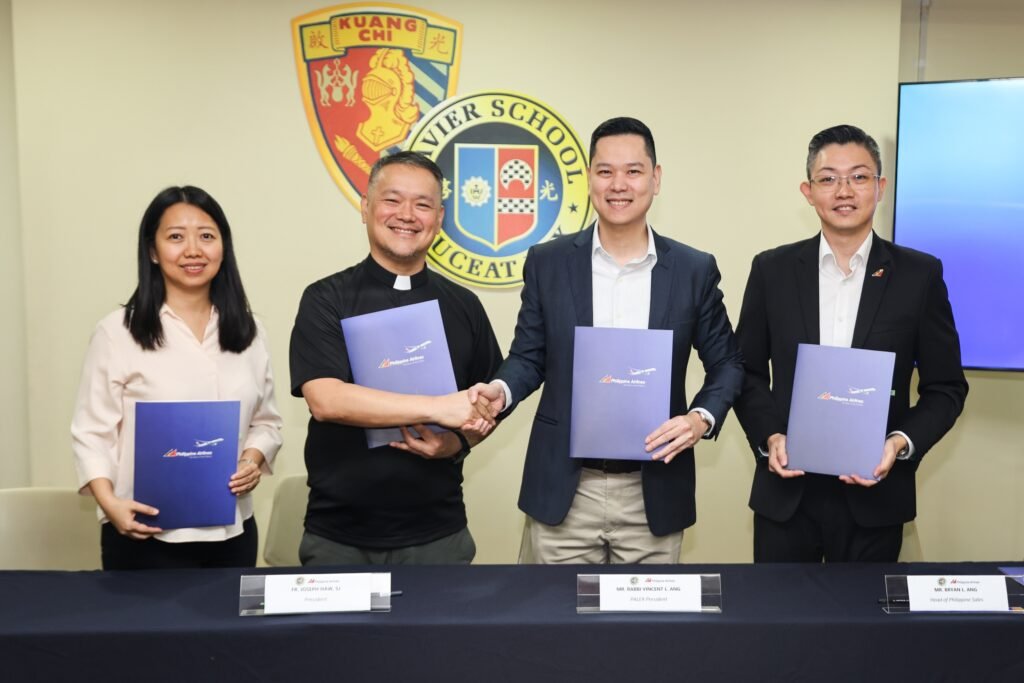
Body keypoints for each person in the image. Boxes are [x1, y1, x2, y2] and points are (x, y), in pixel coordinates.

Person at [469, 117, 744, 564]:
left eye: (633, 171)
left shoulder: (693, 270)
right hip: (564, 488)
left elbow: (728, 364)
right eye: (605, 171)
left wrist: (699, 419)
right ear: (589, 178)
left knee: (647, 614)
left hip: (654, 489)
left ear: (655, 179)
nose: (619, 184)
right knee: (551, 610)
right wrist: (501, 390)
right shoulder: (548, 262)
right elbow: (529, 357)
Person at [733, 124, 969, 563]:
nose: (844, 191)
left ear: (880, 187)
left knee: (868, 612)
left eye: (859, 177)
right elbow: (745, 372)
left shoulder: (919, 276)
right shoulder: (772, 270)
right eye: (828, 179)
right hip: (786, 497)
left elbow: (946, 387)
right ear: (808, 192)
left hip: (876, 498)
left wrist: (898, 443)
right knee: (779, 610)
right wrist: (771, 435)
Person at [289, 151, 503, 566]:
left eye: (422, 204)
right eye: (392, 200)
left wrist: (457, 442)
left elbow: (488, 404)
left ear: (439, 218)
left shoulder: (463, 305)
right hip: (339, 536)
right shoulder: (325, 298)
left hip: (438, 535)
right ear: (365, 207)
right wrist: (437, 407)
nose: (406, 215)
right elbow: (325, 400)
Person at [71, 186, 283, 570]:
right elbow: (91, 433)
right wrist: (109, 503)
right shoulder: (117, 332)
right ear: (152, 251)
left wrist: (251, 461)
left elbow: (266, 423)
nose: (193, 250)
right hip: (142, 531)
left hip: (232, 531)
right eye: (175, 237)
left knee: (229, 614)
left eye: (206, 236)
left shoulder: (250, 331)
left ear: (223, 247)